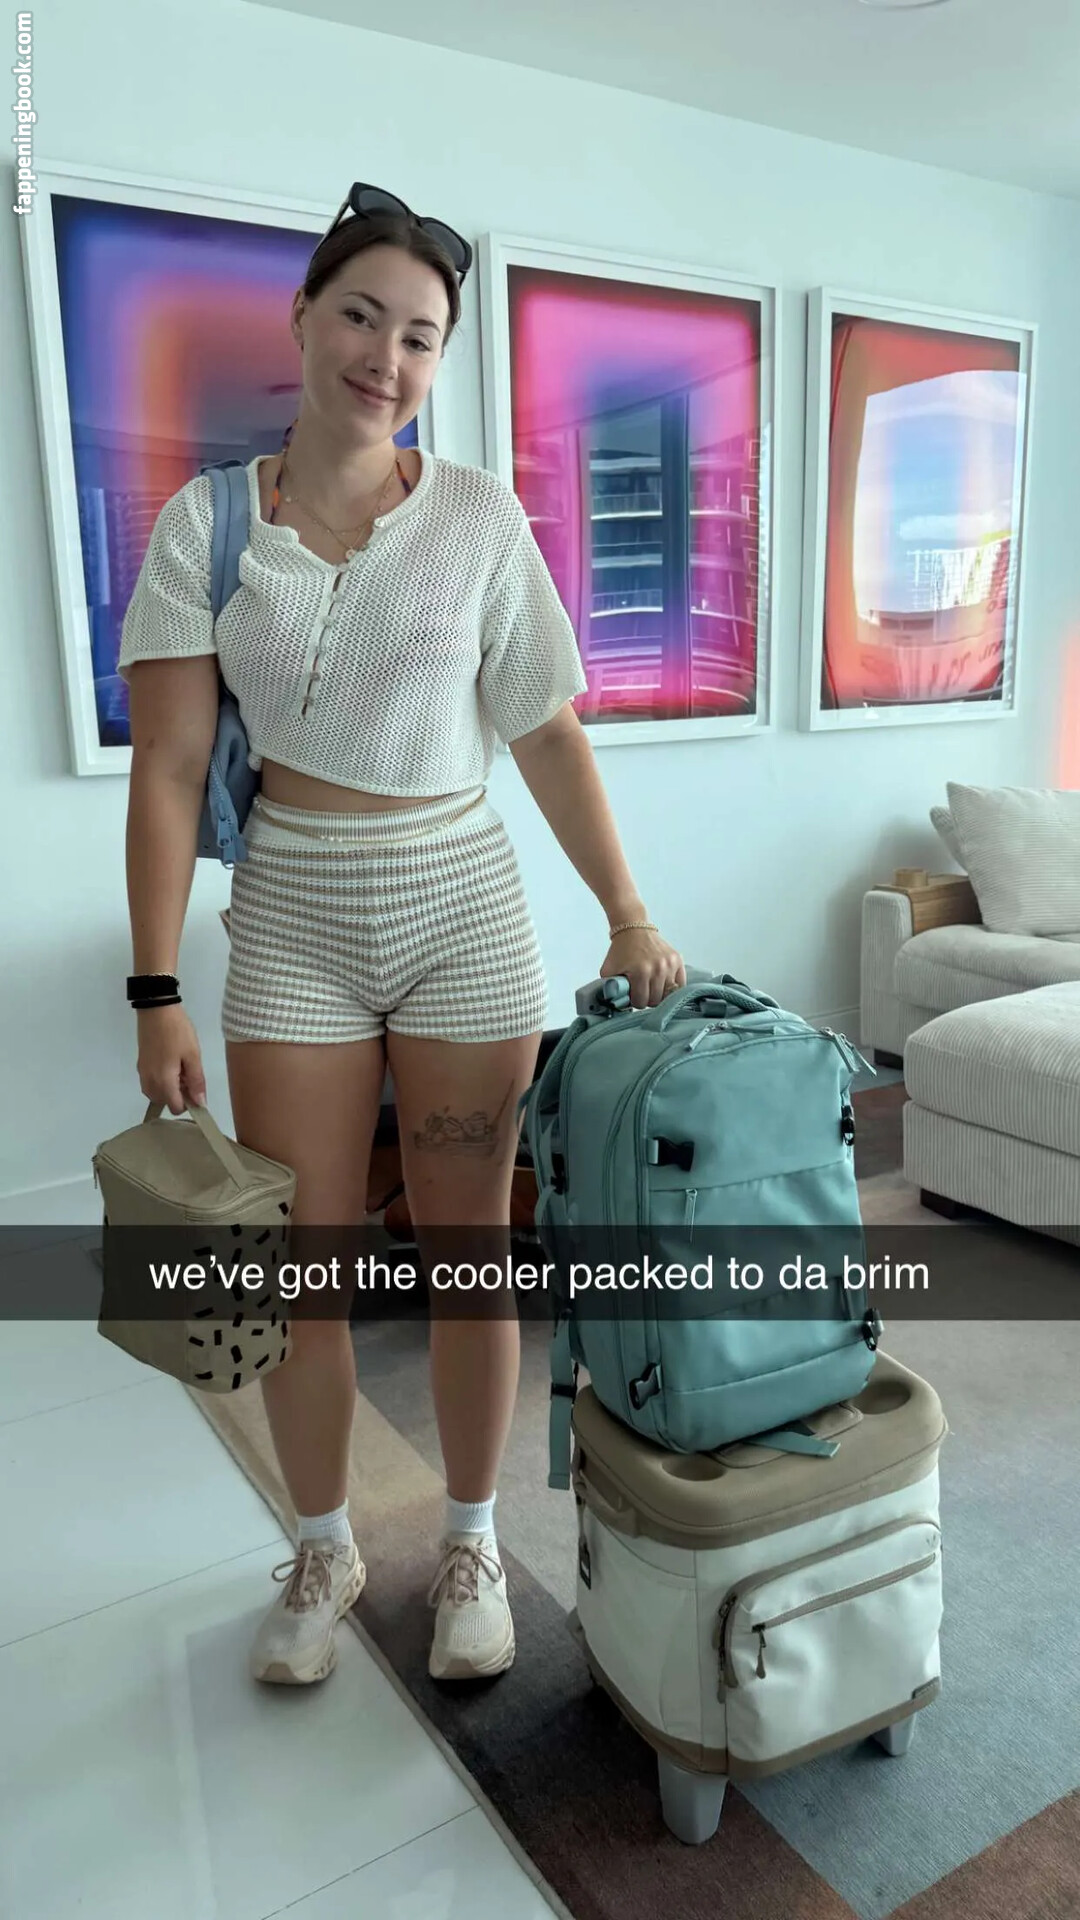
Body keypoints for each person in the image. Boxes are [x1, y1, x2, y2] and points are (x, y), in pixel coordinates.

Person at [118, 182, 685, 1690]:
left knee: (467, 1249)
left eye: (421, 336)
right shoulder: (207, 526)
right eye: (362, 316)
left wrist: (628, 911)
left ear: (439, 360)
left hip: (461, 911)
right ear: (304, 318)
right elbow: (169, 769)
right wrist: (156, 984)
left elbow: (547, 730)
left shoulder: (480, 517)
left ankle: (473, 1543)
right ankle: (324, 1546)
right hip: (293, 914)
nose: (387, 356)